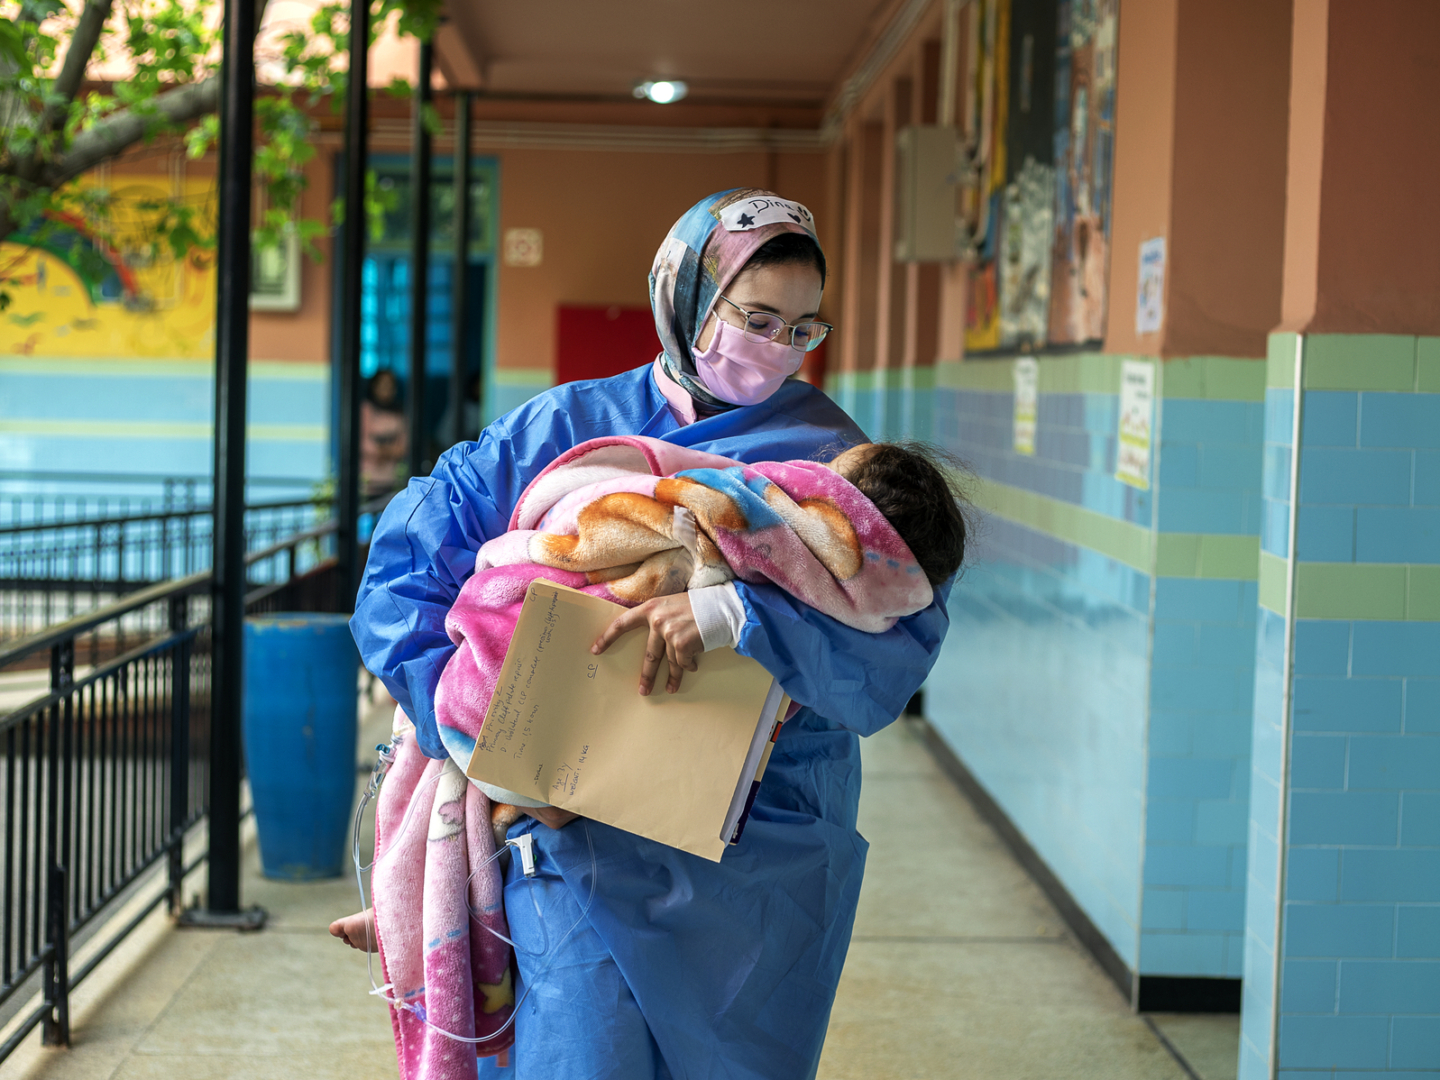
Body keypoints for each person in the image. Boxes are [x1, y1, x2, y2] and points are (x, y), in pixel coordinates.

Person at [347, 188, 958, 1080]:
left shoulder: (834, 453)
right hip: (571, 832)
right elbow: (403, 577)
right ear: (686, 293)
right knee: (579, 1051)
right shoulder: (561, 431)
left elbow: (895, 640)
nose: (777, 348)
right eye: (756, 317)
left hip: (760, 847)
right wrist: (487, 737)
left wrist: (735, 614)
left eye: (801, 329)